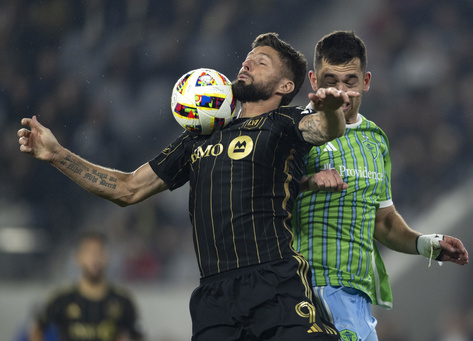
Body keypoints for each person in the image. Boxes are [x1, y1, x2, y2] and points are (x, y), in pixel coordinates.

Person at [19, 32, 360, 340]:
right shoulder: (200, 135)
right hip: (215, 297)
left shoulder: (284, 122)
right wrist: (57, 154)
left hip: (275, 281)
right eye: (247, 57)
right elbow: (127, 189)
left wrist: (331, 110)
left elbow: (326, 129)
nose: (247, 63)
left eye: (261, 61)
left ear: (285, 86)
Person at [292, 30, 469, 341]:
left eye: (350, 82)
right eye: (330, 81)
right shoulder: (294, 130)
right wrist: (307, 184)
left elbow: (383, 221)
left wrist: (424, 243)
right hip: (306, 287)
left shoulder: (375, 141)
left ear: (367, 82)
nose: (341, 92)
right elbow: (261, 194)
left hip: (356, 294)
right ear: (313, 81)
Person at [28, 231, 144, 341]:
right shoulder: (62, 299)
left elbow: (138, 334)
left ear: (107, 257)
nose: (94, 258)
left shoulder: (122, 301)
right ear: (78, 257)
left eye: (99, 252)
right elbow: (38, 326)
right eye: (89, 252)